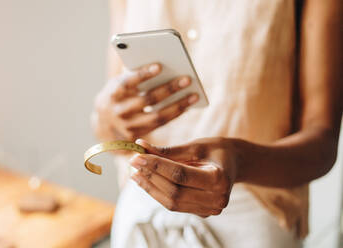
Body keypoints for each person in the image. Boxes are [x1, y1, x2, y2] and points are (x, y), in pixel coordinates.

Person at [91, 0, 342, 247]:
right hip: (140, 216)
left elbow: (323, 141)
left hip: (251, 229)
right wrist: (106, 121)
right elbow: (112, 134)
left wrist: (240, 160)